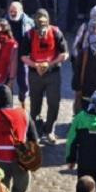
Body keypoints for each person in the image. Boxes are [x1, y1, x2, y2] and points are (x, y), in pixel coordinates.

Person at [21, 9, 69, 144]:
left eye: (44, 21)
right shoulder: (29, 35)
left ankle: (49, 130)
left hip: (52, 73)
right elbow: (23, 56)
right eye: (39, 21)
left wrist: (50, 64)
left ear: (48, 21)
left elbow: (65, 54)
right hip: (35, 74)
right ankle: (35, 131)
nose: (41, 24)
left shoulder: (55, 32)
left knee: (54, 103)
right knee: (35, 105)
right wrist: (35, 65)